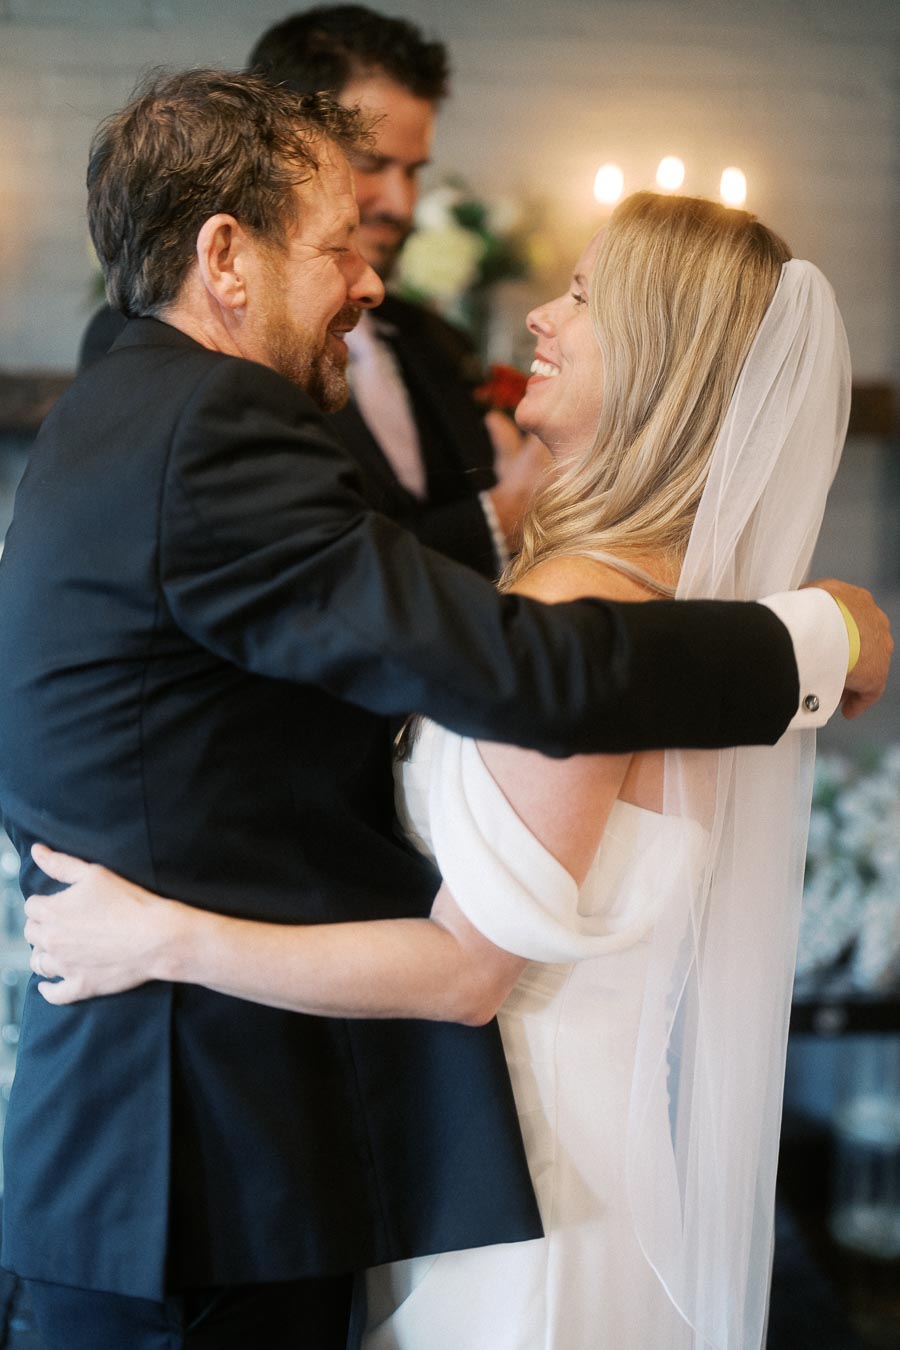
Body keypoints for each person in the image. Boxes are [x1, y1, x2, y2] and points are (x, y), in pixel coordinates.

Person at [24, 193, 887, 1350]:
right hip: (481, 1162)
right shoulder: (650, 603)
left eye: (582, 297)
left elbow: (466, 972)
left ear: (661, 363)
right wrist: (816, 636)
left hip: (527, 1192)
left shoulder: (589, 606)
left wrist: (157, 936)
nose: (536, 316)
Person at [79, 4, 547, 574]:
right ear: (290, 141)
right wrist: (501, 517)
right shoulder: (159, 349)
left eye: (414, 169)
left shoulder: (438, 341)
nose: (401, 204)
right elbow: (303, 573)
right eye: (371, 162)